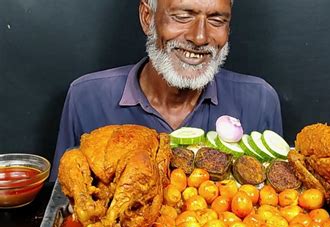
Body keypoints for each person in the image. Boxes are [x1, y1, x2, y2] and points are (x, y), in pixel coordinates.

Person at [50, 0, 283, 181]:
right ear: (147, 17)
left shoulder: (259, 101)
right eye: (182, 16)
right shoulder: (86, 98)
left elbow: (280, 210)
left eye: (216, 20)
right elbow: (62, 200)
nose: (199, 37)